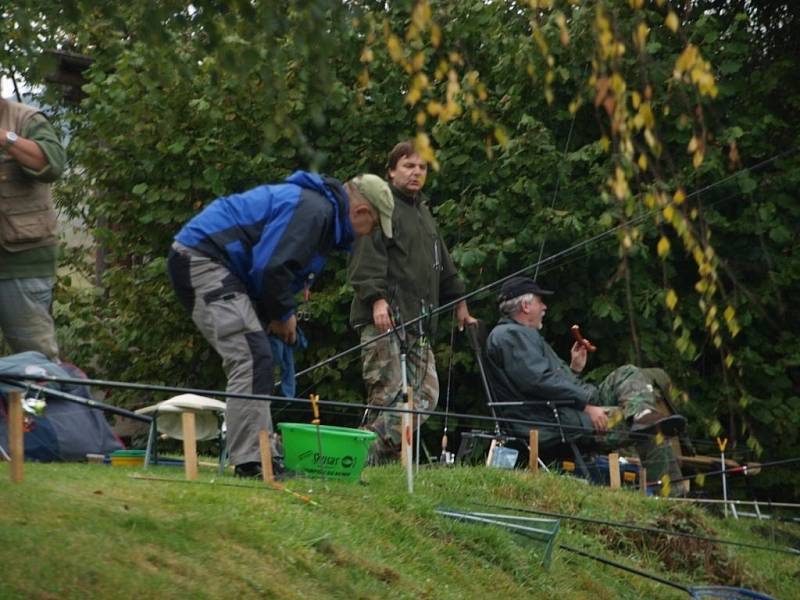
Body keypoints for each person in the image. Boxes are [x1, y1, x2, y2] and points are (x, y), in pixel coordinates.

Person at [167, 170, 387, 478]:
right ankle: (253, 461)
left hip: (219, 263)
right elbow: (271, 269)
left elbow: (271, 266)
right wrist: (283, 315)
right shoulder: (315, 211)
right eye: (373, 226)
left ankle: (260, 455)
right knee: (251, 355)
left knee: (257, 355)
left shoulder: (319, 211)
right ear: (362, 212)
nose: (367, 233)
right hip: (203, 258)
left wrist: (279, 313)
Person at [485, 276, 685, 487]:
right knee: (653, 430)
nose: (544, 307)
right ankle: (672, 497)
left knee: (627, 373)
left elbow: (539, 381)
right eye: (539, 301)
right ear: (525, 306)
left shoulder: (520, 335)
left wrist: (574, 369)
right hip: (556, 421)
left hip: (567, 410)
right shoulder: (510, 336)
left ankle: (642, 414)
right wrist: (585, 405)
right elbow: (538, 382)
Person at [348, 140, 477, 462]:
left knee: (425, 395)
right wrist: (377, 300)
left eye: (421, 167)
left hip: (419, 321)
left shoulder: (423, 212)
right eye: (408, 166)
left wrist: (460, 301)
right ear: (392, 171)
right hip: (384, 318)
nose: (416, 172)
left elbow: (443, 265)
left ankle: (357, 452)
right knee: (386, 396)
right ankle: (363, 461)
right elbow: (366, 258)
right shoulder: (380, 206)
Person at [0, 98, 66, 360]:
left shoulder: (26, 119)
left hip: (22, 263)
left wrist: (6, 138)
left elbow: (53, 163)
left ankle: (50, 401)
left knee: (36, 361)